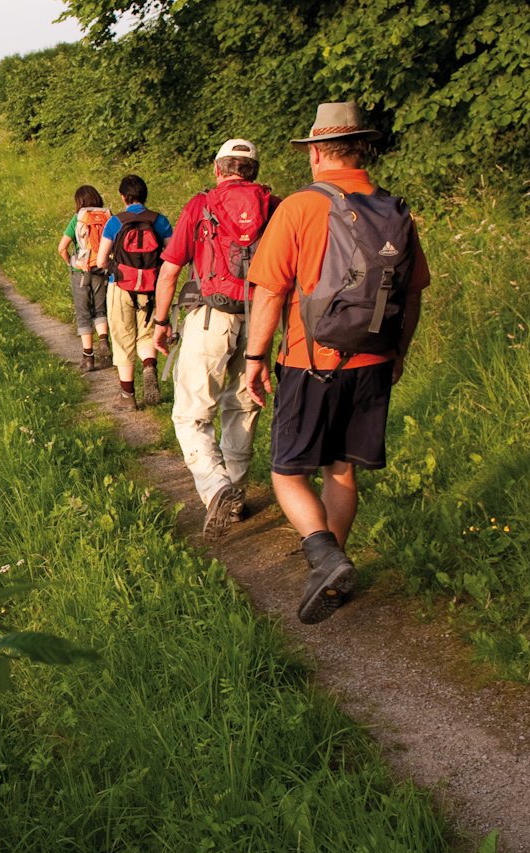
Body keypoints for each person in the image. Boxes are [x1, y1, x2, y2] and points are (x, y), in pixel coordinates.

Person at [243, 102, 430, 624]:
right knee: (342, 469)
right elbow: (411, 297)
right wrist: (397, 353)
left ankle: (323, 555)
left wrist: (256, 358)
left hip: (312, 361)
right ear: (361, 148)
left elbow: (269, 293)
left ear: (318, 152)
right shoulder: (394, 209)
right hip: (373, 360)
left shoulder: (300, 208)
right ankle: (333, 573)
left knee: (286, 472)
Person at [150, 139, 275, 535]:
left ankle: (217, 487)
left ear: (218, 170)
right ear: (252, 171)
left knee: (190, 414)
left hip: (210, 318)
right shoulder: (274, 207)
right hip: (260, 320)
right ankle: (234, 494)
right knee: (242, 407)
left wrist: (160, 323)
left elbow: (170, 270)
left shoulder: (202, 204)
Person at [95, 174, 173, 407]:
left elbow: (100, 261)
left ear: (123, 196)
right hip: (151, 288)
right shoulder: (159, 221)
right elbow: (172, 256)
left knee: (122, 338)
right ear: (144, 195)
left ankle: (127, 396)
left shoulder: (115, 222)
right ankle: (148, 366)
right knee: (147, 335)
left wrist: (117, 268)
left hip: (120, 286)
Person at [57, 184, 111, 371]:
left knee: (83, 314)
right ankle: (104, 341)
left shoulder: (77, 218)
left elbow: (61, 248)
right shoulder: (107, 217)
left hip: (81, 271)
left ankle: (88, 358)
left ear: (79, 201)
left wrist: (71, 263)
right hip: (101, 269)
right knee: (100, 310)